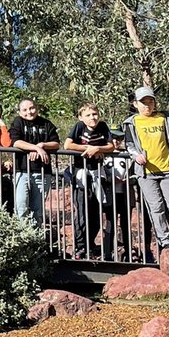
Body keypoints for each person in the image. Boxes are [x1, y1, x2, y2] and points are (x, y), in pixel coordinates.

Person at [122, 86, 169, 250]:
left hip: (167, 169)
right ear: (135, 104)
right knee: (156, 208)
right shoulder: (132, 122)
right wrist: (136, 155)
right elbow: (129, 145)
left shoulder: (164, 119)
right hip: (146, 172)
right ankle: (165, 240)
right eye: (143, 102)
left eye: (150, 101)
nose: (147, 105)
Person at [65, 103, 116, 259]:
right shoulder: (79, 127)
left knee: (95, 212)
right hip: (81, 174)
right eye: (88, 115)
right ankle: (80, 247)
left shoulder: (103, 126)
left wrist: (98, 149)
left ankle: (90, 245)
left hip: (97, 175)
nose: (92, 117)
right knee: (81, 211)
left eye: (94, 114)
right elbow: (67, 145)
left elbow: (111, 146)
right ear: (81, 117)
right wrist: (90, 149)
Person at [10, 97, 60, 226]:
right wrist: (36, 148)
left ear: (36, 108)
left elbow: (56, 143)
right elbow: (16, 142)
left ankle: (35, 239)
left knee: (38, 210)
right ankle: (21, 238)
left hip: (43, 172)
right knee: (21, 206)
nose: (29, 112)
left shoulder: (46, 124)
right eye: (25, 109)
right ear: (20, 112)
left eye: (32, 108)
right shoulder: (18, 122)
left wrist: (42, 145)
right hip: (22, 171)